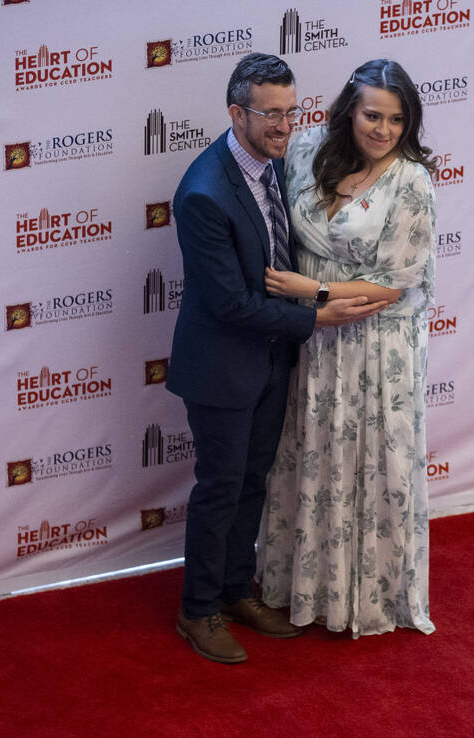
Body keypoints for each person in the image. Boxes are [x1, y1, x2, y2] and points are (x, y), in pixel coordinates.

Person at [168, 53, 387, 664]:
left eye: (292, 112)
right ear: (236, 113)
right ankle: (199, 610)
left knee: (252, 482)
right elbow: (233, 305)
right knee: (220, 489)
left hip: (270, 363)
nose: (285, 125)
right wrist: (316, 317)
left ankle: (238, 590)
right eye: (270, 114)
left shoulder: (275, 165)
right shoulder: (203, 194)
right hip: (221, 367)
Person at [257, 59, 437, 637]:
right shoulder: (308, 149)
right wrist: (309, 310)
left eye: (396, 119)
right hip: (314, 343)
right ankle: (304, 587)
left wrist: (315, 291)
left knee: (370, 460)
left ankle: (367, 597)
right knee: (312, 454)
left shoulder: (411, 180)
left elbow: (397, 282)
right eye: (372, 115)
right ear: (347, 111)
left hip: (376, 348)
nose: (383, 130)